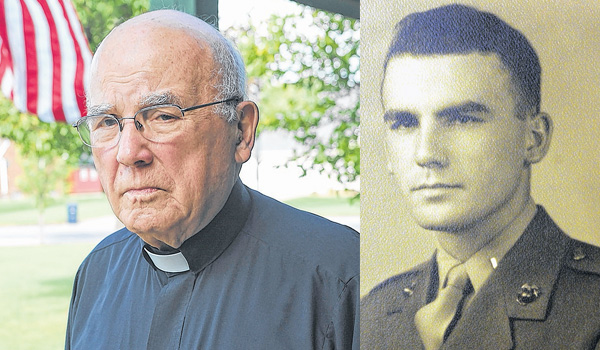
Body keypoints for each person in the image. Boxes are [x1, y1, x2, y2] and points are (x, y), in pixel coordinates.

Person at [66, 10, 358, 350]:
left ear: (241, 131)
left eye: (163, 116)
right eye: (106, 122)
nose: (129, 152)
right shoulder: (95, 275)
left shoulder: (338, 279)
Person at [360, 4, 600, 349]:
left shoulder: (591, 310)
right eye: (405, 123)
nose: (426, 153)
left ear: (534, 138)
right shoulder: (374, 312)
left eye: (463, 119)